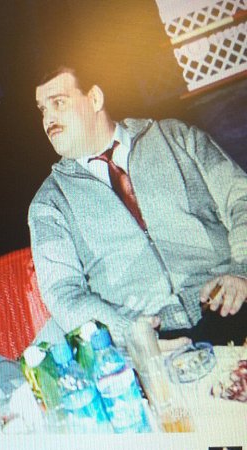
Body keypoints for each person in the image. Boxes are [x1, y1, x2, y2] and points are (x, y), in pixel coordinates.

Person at [29, 65, 247, 349]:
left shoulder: (177, 138)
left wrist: (241, 271)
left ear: (94, 99)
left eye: (58, 103)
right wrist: (124, 332)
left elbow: (241, 199)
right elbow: (62, 293)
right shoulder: (50, 203)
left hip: (230, 301)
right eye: (42, 110)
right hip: (146, 340)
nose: (48, 119)